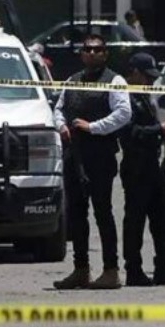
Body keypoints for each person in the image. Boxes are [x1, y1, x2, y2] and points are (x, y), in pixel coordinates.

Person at [53, 33, 132, 290]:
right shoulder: (72, 80)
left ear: (105, 53)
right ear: (82, 53)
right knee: (76, 215)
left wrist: (93, 127)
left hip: (100, 156)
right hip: (74, 156)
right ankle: (81, 269)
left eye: (98, 50)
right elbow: (58, 108)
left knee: (103, 213)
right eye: (88, 49)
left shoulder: (114, 80)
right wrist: (62, 125)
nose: (93, 53)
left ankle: (111, 271)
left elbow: (123, 114)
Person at [118, 53, 165, 286]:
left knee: (161, 218)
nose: (149, 81)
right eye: (146, 76)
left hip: (152, 164)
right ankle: (133, 270)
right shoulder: (124, 97)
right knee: (135, 221)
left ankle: (164, 267)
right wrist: (160, 129)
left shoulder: (144, 96)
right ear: (134, 72)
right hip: (136, 166)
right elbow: (129, 134)